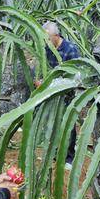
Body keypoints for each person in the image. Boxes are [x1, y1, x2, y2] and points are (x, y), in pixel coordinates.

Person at [35, 21, 81, 169]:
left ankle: (69, 158)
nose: (46, 41)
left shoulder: (71, 50)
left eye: (48, 38)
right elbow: (44, 68)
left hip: (68, 93)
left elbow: (75, 77)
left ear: (56, 35)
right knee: (52, 122)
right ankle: (54, 153)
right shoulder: (47, 49)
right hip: (51, 93)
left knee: (68, 124)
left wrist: (49, 84)